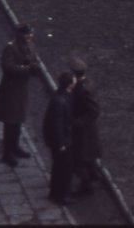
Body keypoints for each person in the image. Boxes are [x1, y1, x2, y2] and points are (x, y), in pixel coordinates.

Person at [0, 22, 39, 166]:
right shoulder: (11, 47)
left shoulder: (30, 44)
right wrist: (27, 69)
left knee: (18, 120)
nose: (30, 36)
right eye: (27, 34)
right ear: (20, 35)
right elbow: (8, 67)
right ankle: (7, 153)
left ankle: (15, 147)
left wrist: (35, 66)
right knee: (10, 122)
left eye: (30, 33)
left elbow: (34, 58)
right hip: (11, 90)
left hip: (22, 89)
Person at [69, 58, 102, 196]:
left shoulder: (82, 90)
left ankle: (86, 187)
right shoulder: (87, 84)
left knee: (79, 158)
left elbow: (94, 110)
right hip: (87, 130)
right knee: (88, 157)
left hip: (84, 131)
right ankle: (94, 176)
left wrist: (79, 121)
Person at [43, 71, 75, 206]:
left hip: (58, 140)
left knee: (58, 166)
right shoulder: (61, 101)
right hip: (61, 141)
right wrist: (61, 143)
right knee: (64, 169)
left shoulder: (60, 96)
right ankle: (61, 196)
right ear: (69, 85)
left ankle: (55, 192)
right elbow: (57, 124)